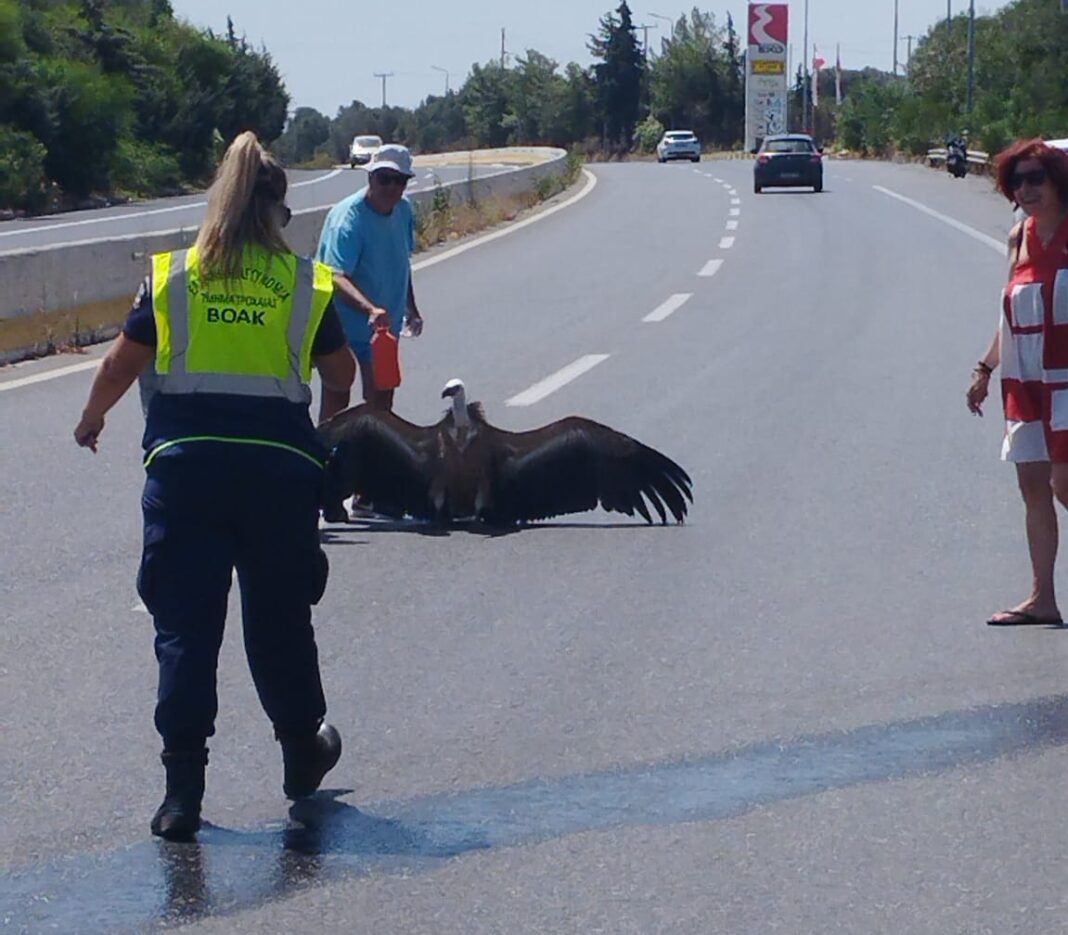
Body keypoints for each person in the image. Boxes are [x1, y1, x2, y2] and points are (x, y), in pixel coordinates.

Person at [73, 131, 357, 840]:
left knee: (186, 631)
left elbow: (120, 363)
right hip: (278, 477)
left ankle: (182, 795)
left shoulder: (171, 276)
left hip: (187, 471)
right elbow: (342, 373)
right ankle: (300, 754)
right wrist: (324, 441)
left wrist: (91, 418)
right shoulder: (302, 282)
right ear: (276, 209)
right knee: (281, 620)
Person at [967, 138, 1068, 626]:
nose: (1026, 189)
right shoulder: (1017, 238)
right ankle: (1041, 598)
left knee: (1064, 484)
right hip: (1025, 378)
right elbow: (1007, 315)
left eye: (1036, 178)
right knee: (1033, 486)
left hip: (1067, 379)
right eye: (1018, 181)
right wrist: (984, 370)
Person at [316, 143, 424, 422]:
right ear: (370, 177)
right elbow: (335, 275)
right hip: (342, 325)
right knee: (339, 395)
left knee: (382, 397)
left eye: (398, 180)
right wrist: (370, 309)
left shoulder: (403, 210)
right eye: (383, 178)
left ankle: (373, 458)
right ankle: (326, 455)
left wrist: (412, 306)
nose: (390, 187)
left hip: (383, 328)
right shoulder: (349, 219)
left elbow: (402, 260)